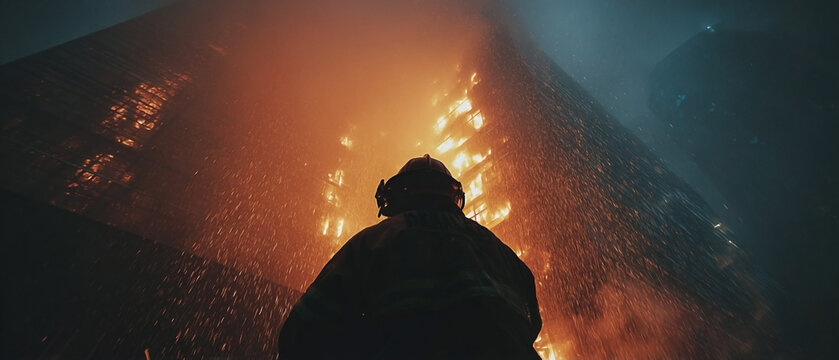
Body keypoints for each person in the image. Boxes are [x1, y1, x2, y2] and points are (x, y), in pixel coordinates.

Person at [277, 155, 542, 359]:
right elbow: (529, 327)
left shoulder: (373, 243)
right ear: (454, 196)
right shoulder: (503, 253)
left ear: (394, 196)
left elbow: (300, 334)